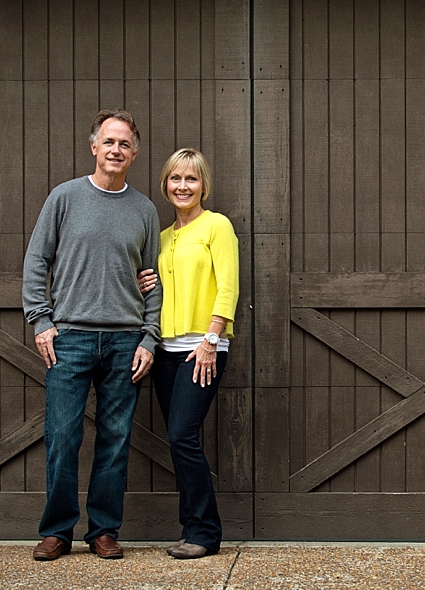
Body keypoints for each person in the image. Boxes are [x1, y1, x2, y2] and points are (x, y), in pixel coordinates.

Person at [23, 109, 162, 561]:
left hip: (125, 341)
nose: (116, 150)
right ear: (94, 147)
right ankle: (57, 531)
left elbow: (152, 278)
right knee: (63, 437)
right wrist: (40, 320)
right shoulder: (64, 198)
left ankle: (104, 530)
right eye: (109, 142)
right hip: (71, 338)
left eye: (124, 144)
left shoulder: (144, 209)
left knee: (115, 439)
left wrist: (149, 337)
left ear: (134, 153)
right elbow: (36, 262)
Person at [137, 148, 239, 559]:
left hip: (203, 349)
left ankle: (205, 532)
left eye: (191, 179)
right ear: (166, 184)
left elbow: (228, 286)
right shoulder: (162, 238)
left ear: (203, 185)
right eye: (176, 178)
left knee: (182, 435)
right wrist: (147, 284)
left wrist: (211, 340)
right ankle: (190, 526)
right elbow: (158, 289)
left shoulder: (218, 226)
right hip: (166, 351)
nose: (183, 186)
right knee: (180, 440)